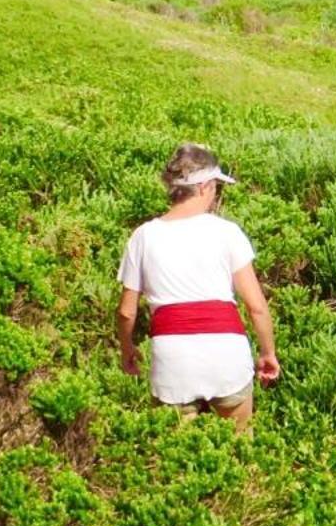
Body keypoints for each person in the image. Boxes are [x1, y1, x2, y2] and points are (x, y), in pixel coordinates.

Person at [115, 143, 280, 426]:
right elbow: (257, 308)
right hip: (226, 355)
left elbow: (126, 312)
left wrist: (127, 349)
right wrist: (268, 353)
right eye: (216, 185)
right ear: (204, 187)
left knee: (173, 457)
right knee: (240, 448)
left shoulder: (143, 236)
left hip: (172, 359)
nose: (216, 193)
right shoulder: (227, 233)